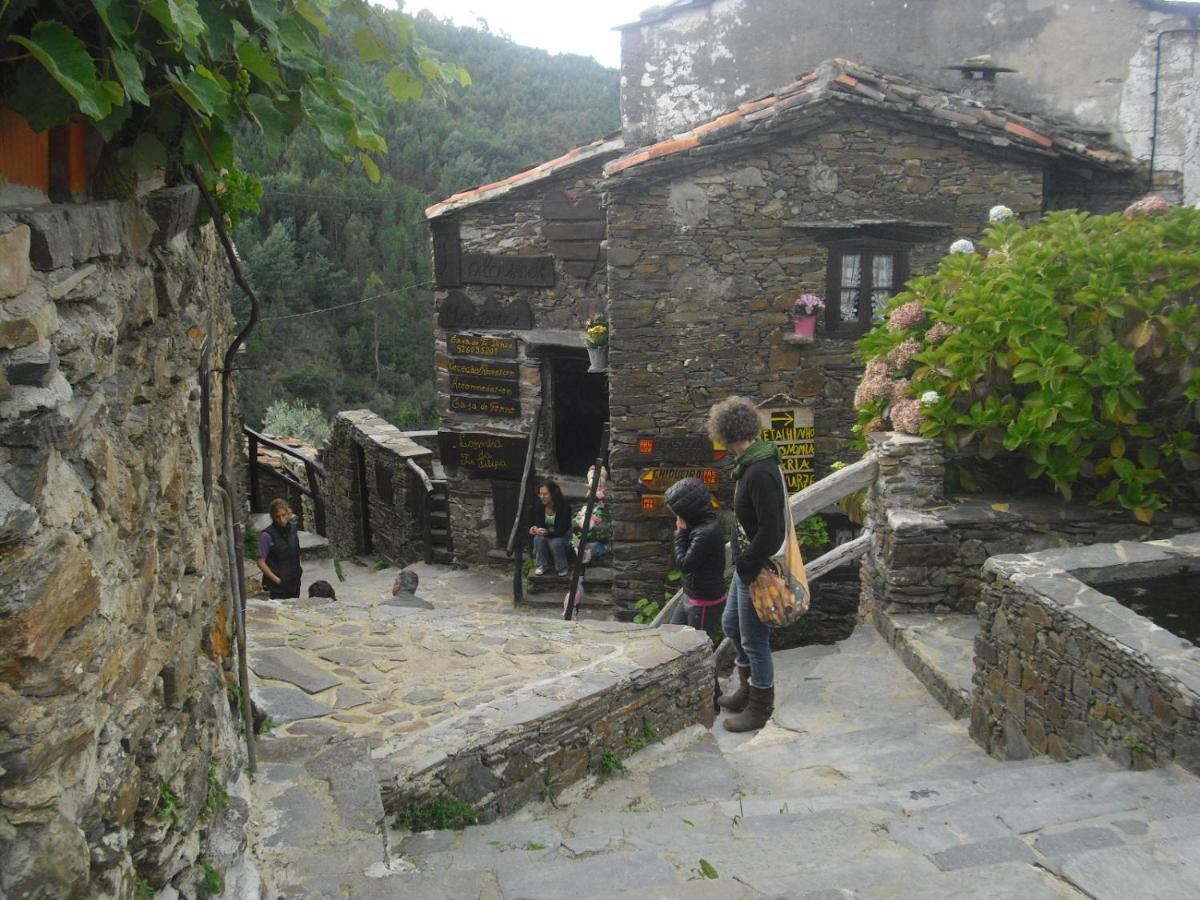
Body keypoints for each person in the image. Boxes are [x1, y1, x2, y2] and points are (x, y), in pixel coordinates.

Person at [709, 397, 785, 733]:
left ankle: (760, 707)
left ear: (724, 434)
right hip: (747, 566)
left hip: (757, 568)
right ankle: (746, 689)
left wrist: (748, 564)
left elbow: (773, 531)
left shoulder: (759, 472)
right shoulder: (750, 465)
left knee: (754, 639)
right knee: (731, 625)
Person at [664, 476, 727, 709]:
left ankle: (711, 700)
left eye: (677, 513)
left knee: (700, 650)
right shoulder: (705, 524)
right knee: (670, 634)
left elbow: (684, 563)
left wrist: (679, 533)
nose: (675, 518)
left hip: (703, 601)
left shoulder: (705, 532)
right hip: (691, 594)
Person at [257, 498, 302, 599]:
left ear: (288, 513)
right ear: (272, 517)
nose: (281, 520)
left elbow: (297, 551)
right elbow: (260, 562)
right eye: (277, 517)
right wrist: (278, 580)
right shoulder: (266, 535)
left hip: (294, 583)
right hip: (276, 587)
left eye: (283, 515)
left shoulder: (293, 530)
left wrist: (299, 568)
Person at [528, 479, 572, 576]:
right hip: (547, 534)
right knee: (538, 538)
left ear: (553, 494)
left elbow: (562, 530)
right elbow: (538, 523)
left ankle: (562, 567)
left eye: (545, 494)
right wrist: (536, 530)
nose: (542, 497)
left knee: (555, 542)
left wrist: (547, 533)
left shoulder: (564, 507)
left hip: (563, 536)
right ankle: (543, 565)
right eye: (540, 494)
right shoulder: (539, 505)